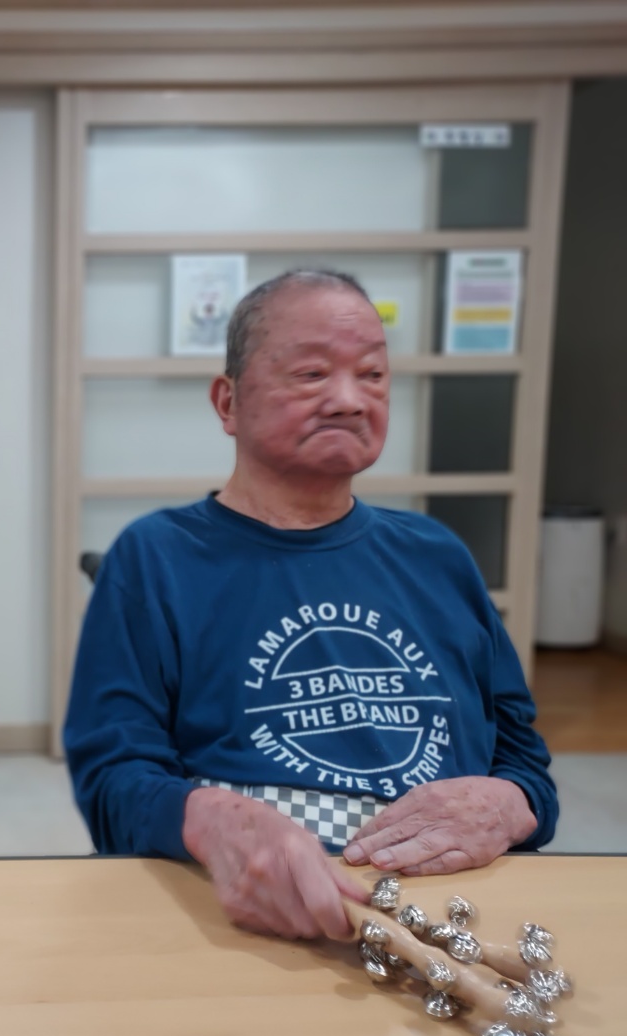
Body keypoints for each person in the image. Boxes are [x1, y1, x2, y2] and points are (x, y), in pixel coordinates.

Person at [64, 269, 556, 940]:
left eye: (372, 375)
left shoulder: (438, 555)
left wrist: (508, 803)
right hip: (254, 917)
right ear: (228, 402)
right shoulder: (155, 558)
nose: (350, 400)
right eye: (312, 374)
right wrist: (211, 821)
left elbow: (525, 764)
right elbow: (112, 782)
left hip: (456, 916)